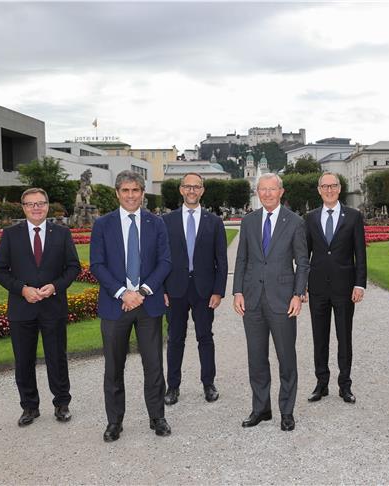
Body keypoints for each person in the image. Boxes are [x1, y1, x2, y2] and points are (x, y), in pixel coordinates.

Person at [90, 170, 172, 442]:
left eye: (135, 190)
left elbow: (165, 262)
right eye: (125, 190)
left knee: (154, 365)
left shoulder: (155, 223)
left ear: (142, 192)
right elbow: (97, 265)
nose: (130, 195)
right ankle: (114, 422)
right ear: (117, 193)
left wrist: (143, 291)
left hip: (148, 305)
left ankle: (157, 417)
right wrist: (124, 293)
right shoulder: (103, 224)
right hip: (116, 306)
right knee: (114, 367)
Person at [0, 188, 81, 426]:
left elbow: (73, 267)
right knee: (23, 360)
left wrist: (55, 286)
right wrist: (22, 289)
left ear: (47, 205)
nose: (36, 208)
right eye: (31, 204)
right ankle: (29, 407)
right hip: (22, 308)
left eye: (41, 203)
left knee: (57, 358)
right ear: (23, 207)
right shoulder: (11, 234)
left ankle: (62, 403)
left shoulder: (61, 233)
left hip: (53, 305)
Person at [232, 173, 309, 432]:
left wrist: (298, 294)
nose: (266, 194)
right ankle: (261, 408)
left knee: (286, 358)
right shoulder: (249, 221)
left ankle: (286, 411)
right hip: (252, 300)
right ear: (257, 192)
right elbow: (241, 259)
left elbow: (303, 262)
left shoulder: (295, 222)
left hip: (283, 300)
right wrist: (237, 292)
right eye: (262, 189)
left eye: (271, 189)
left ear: (281, 191)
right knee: (256, 358)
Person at [162, 173, 227, 405]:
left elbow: (221, 259)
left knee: (205, 337)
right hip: (175, 289)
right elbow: (160, 258)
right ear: (181, 190)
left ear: (202, 190)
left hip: (204, 290)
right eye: (188, 186)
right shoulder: (166, 221)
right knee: (175, 339)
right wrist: (161, 290)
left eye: (196, 187)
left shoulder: (214, 222)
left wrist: (218, 290)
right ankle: (173, 387)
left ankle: (208, 384)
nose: (192, 191)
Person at [304, 172, 366, 404]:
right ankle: (321, 384)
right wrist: (302, 286)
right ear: (319, 190)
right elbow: (304, 255)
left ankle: (345, 385)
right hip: (318, 287)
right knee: (319, 338)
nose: (329, 190)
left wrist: (360, 283)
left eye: (333, 186)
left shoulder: (353, 216)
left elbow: (360, 253)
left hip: (344, 287)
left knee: (344, 338)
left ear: (339, 188)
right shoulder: (310, 217)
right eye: (324, 186)